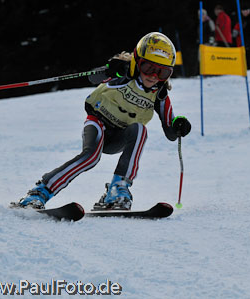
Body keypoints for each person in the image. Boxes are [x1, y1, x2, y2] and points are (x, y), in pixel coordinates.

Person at [11, 32, 191, 211]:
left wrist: (178, 125)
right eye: (148, 68)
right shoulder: (124, 74)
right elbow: (93, 77)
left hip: (120, 135)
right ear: (137, 62)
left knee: (140, 130)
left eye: (162, 72)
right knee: (90, 157)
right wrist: (111, 69)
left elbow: (170, 132)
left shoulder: (159, 95)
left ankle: (117, 189)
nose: (154, 76)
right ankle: (39, 192)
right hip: (98, 123)